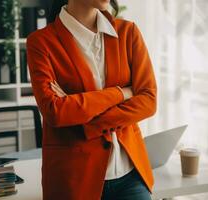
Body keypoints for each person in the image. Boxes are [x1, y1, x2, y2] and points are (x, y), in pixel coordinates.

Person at [26, 0, 157, 199]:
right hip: (74, 180)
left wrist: (85, 119)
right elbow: (55, 112)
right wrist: (122, 93)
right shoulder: (41, 42)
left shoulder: (128, 33)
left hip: (130, 175)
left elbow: (148, 101)